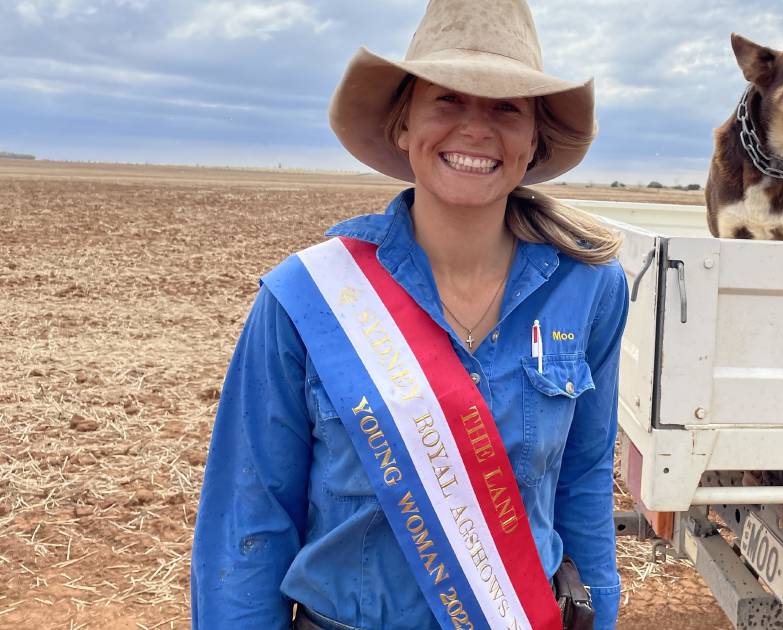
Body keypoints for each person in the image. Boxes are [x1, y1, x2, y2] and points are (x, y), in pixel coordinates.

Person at [189, 0, 628, 628]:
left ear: (534, 140)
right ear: (402, 125)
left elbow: (584, 483)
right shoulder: (310, 296)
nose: (476, 129)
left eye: (507, 107)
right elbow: (248, 518)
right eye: (447, 99)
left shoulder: (589, 287)